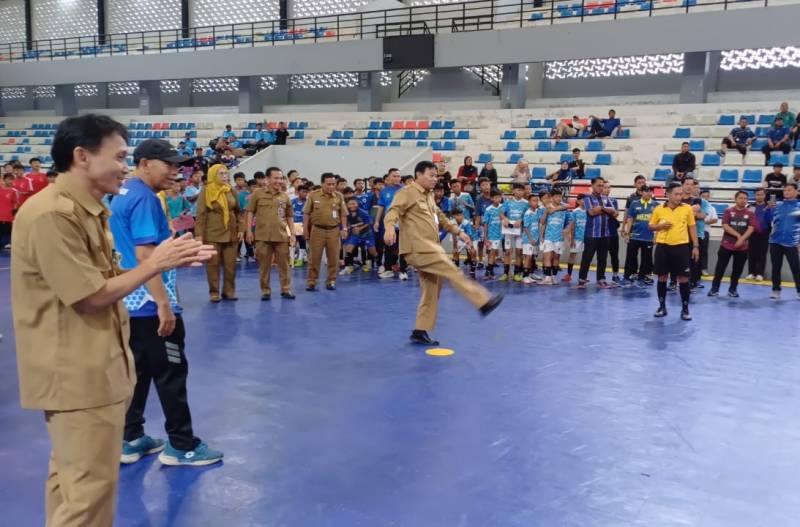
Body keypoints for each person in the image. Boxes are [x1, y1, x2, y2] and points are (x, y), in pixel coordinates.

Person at [11, 114, 214, 526]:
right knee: (88, 499)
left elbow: (103, 277)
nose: (126, 166)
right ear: (82, 156)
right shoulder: (53, 215)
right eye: (119, 156)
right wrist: (155, 264)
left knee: (71, 487)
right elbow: (89, 296)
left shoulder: (87, 211)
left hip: (92, 367)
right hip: (77, 375)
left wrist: (169, 261)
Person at [109, 138, 223, 468]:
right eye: (169, 165)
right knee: (171, 373)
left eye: (178, 165)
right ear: (145, 163)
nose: (176, 171)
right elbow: (146, 255)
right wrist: (163, 304)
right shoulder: (145, 199)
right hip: (150, 301)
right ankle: (182, 445)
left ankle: (130, 438)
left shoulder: (123, 193)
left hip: (129, 300)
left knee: (139, 371)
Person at [383, 161, 503, 345]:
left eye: (436, 176)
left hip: (430, 246)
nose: (434, 179)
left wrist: (460, 232)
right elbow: (393, 211)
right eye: (431, 175)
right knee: (451, 269)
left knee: (431, 290)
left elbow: (441, 218)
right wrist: (390, 228)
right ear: (418, 175)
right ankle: (483, 301)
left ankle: (420, 330)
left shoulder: (429, 195)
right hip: (418, 247)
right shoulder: (407, 192)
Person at [648, 183, 700, 321]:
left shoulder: (687, 208)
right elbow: (651, 226)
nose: (679, 197)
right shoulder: (659, 209)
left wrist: (695, 246)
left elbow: (692, 227)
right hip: (663, 247)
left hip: (681, 247)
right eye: (676, 194)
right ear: (668, 194)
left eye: (681, 194)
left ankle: (685, 309)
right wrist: (660, 226)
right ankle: (662, 307)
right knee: (662, 277)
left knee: (683, 278)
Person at [196, 164, 243, 302]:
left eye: (226, 173)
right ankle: (214, 292)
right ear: (213, 175)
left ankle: (229, 292)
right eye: (220, 173)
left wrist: (241, 229)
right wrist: (199, 235)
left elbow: (239, 212)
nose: (224, 176)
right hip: (212, 233)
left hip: (231, 233)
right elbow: (200, 214)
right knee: (212, 265)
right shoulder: (206, 191)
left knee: (230, 265)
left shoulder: (231, 190)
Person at [246, 167, 294, 300]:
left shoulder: (285, 196)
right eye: (276, 178)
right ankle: (265, 291)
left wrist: (293, 234)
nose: (279, 181)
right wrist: (248, 231)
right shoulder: (257, 194)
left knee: (284, 265)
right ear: (267, 179)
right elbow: (250, 212)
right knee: (264, 266)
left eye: (281, 178)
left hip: (281, 236)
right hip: (263, 236)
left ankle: (286, 289)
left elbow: (289, 216)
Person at [707, 191, 756, 298]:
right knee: (720, 268)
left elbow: (751, 228)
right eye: (741, 198)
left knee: (737, 270)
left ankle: (733, 289)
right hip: (726, 245)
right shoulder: (728, 211)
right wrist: (738, 236)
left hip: (742, 247)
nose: (743, 200)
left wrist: (742, 240)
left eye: (745, 198)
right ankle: (714, 288)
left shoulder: (750, 213)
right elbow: (725, 225)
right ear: (735, 199)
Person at [304, 173, 347, 291]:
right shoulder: (313, 195)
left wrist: (344, 228)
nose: (331, 186)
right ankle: (312, 281)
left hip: (334, 231)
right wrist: (305, 229)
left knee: (333, 258)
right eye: (328, 184)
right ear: (322, 184)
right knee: (314, 257)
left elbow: (343, 214)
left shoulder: (339, 196)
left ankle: (331, 280)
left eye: (333, 184)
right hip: (317, 230)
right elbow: (306, 213)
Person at [577, 177, 618, 289]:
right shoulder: (587, 198)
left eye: (602, 185)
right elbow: (591, 212)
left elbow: (615, 214)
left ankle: (601, 279)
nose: (601, 187)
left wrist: (601, 208)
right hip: (592, 234)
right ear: (592, 186)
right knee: (587, 258)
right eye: (599, 185)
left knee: (602, 259)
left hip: (605, 234)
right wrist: (607, 210)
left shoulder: (606, 198)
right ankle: (581, 280)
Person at [764, 182, 800, 299]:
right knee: (776, 268)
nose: (786, 192)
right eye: (785, 190)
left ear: (796, 192)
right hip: (775, 241)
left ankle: (799, 291)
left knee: (796, 268)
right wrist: (768, 209)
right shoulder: (777, 205)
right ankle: (776, 290)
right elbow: (767, 220)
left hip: (792, 243)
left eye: (789, 190)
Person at [373, 169, 407, 280]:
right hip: (389, 224)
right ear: (389, 177)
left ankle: (403, 271)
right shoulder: (384, 191)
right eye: (394, 176)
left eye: (398, 176)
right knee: (388, 246)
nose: (397, 178)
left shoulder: (406, 189)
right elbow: (381, 207)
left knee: (403, 247)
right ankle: (388, 270)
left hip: (403, 223)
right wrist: (377, 221)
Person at [622, 185, 656, 286]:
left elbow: (658, 221)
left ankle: (644, 276)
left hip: (648, 236)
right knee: (631, 257)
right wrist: (627, 233)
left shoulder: (656, 205)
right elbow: (630, 218)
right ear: (641, 192)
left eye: (650, 191)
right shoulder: (634, 203)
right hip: (634, 235)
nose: (648, 193)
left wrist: (656, 235)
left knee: (647, 258)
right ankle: (628, 275)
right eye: (646, 191)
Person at [540, 189, 571, 285]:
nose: (559, 198)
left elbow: (570, 219)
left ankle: (554, 277)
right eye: (556, 196)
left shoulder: (564, 208)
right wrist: (546, 212)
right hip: (548, 236)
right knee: (547, 256)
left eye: (560, 196)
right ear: (552, 197)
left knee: (556, 257)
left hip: (559, 237)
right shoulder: (547, 207)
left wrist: (567, 229)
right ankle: (548, 277)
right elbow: (542, 222)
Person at [499, 182, 528, 281]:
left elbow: (528, 216)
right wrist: (505, 219)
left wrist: (521, 220)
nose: (520, 192)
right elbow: (501, 213)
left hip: (520, 231)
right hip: (508, 230)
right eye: (518, 190)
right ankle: (506, 273)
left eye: (522, 190)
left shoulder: (526, 203)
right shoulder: (508, 202)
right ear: (513, 191)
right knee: (507, 252)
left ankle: (516, 273)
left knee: (519, 252)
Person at [341, 197, 377, 274]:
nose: (352, 205)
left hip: (367, 234)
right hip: (355, 235)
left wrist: (360, 228)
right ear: (347, 205)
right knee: (348, 248)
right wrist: (346, 229)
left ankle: (373, 263)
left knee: (372, 251)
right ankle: (349, 266)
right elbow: (346, 222)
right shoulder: (346, 213)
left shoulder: (363, 212)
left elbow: (369, 222)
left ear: (357, 204)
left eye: (354, 203)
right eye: (350, 204)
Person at [746, 188, 771, 281]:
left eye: (761, 194)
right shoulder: (750, 207)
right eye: (758, 194)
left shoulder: (769, 206)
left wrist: (769, 209)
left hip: (764, 233)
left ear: (765, 195)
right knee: (751, 253)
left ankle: (760, 273)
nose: (760, 196)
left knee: (762, 254)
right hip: (752, 233)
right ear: (755, 195)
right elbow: (748, 219)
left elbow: (771, 220)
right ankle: (751, 273)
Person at [564, 193, 587, 283]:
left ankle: (583, 276)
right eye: (582, 200)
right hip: (577, 237)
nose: (584, 201)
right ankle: (569, 275)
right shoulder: (575, 212)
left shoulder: (589, 211)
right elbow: (572, 226)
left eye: (585, 200)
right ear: (578, 201)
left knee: (586, 257)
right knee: (572, 255)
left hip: (587, 237)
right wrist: (572, 238)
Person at [450, 208, 479, 277]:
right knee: (455, 252)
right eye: (458, 215)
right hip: (460, 239)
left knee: (473, 252)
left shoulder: (466, 223)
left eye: (461, 215)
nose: (461, 216)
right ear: (454, 216)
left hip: (471, 238)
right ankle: (456, 270)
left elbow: (469, 236)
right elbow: (454, 236)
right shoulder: (451, 222)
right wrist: (455, 247)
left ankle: (472, 271)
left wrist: (471, 247)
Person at [521, 192, 543, 284]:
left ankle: (530, 274)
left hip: (536, 239)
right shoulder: (527, 213)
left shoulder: (537, 212)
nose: (535, 202)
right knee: (528, 257)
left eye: (537, 201)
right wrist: (530, 239)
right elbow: (526, 227)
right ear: (529, 202)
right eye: (533, 201)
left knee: (532, 257)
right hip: (528, 239)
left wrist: (539, 238)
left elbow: (539, 223)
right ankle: (525, 276)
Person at [482, 190, 504, 279]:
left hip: (501, 234)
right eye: (496, 197)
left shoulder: (503, 207)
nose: (498, 199)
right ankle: (488, 271)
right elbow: (485, 224)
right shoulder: (488, 209)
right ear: (491, 198)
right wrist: (485, 237)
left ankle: (490, 271)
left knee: (494, 253)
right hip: (491, 235)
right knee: (491, 252)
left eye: (499, 197)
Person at [291, 184, 309, 266]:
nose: (305, 194)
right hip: (293, 225)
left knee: (302, 241)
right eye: (303, 192)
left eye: (306, 192)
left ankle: (300, 259)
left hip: (303, 225)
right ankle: (291, 258)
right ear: (298, 192)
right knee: (292, 242)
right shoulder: (292, 202)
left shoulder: (308, 202)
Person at [0, 172, 17, 249]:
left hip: (8, 216)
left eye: (11, 179)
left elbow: (15, 204)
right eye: (8, 179)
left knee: (9, 232)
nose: (10, 181)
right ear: (4, 180)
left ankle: (9, 244)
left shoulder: (13, 191)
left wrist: (14, 215)